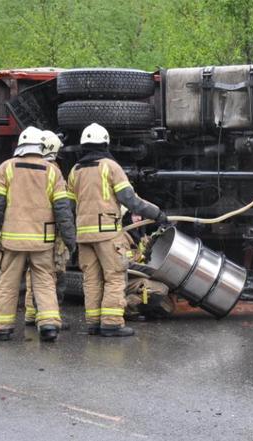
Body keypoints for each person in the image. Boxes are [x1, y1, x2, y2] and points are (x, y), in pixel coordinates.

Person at [67, 123, 168, 337]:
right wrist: (157, 213)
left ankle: (93, 322)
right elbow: (131, 201)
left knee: (92, 279)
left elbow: (69, 206)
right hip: (107, 234)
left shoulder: (75, 171)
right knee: (114, 277)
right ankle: (112, 323)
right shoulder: (110, 167)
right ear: (105, 143)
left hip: (83, 235)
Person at [0, 126, 76, 342]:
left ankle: (2, 327)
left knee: (7, 283)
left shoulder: (5, 168)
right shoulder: (53, 171)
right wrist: (70, 240)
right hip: (42, 242)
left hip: (12, 241)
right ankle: (49, 325)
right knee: (44, 282)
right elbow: (63, 210)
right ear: (41, 147)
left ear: (21, 145)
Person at [24, 130, 70, 327]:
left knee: (32, 273)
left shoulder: (28, 169)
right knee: (53, 275)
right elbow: (62, 206)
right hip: (51, 233)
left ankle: (32, 314)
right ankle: (49, 316)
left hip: (30, 230)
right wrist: (69, 234)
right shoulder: (52, 171)